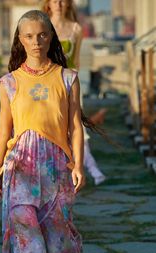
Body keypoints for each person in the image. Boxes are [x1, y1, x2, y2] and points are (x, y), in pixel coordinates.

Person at [0, 10, 105, 253]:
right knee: (31, 251)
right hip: (19, 170)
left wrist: (79, 165)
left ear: (51, 37)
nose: (36, 42)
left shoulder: (67, 77)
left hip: (56, 171)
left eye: (42, 35)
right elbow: (3, 129)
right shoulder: (9, 82)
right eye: (28, 36)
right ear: (20, 40)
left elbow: (74, 126)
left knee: (55, 250)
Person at [42, 0, 106, 185]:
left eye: (63, 1)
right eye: (55, 0)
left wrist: (76, 88)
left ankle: (84, 169)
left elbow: (76, 61)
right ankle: (54, 170)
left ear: (68, 4)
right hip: (48, 83)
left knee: (77, 127)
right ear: (48, 4)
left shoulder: (76, 29)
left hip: (69, 83)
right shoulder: (43, 25)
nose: (59, 4)